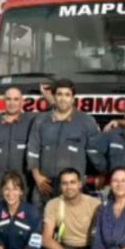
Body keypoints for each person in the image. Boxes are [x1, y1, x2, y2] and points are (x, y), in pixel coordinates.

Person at [27, 79, 100, 207]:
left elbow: (96, 153)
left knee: (71, 225)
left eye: (67, 95)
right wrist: (37, 177)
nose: (63, 98)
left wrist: (95, 178)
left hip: (73, 188)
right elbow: (33, 150)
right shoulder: (41, 121)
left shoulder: (87, 122)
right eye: (59, 94)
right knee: (41, 225)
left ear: (73, 98)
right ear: (54, 97)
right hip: (45, 185)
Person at [35, 168, 102, 249]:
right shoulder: (53, 204)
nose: (69, 187)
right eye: (65, 183)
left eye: (72, 182)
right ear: (60, 186)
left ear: (80, 184)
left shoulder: (95, 205)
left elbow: (101, 239)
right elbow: (46, 239)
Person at [0, 87, 37, 201]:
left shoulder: (32, 123)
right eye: (8, 99)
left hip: (23, 182)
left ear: (22, 102)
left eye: (16, 99)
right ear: (3, 101)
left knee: (22, 217)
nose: (12, 103)